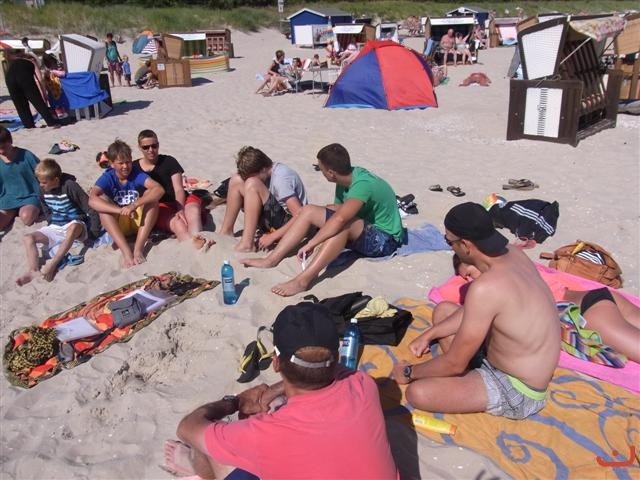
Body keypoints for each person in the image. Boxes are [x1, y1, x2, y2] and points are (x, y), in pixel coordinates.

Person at [164, 302, 398, 479]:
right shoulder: (363, 385)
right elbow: (320, 372)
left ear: (275, 363)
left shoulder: (265, 434)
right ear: (337, 357)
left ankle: (197, 467)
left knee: (211, 444)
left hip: (263, 438)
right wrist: (273, 392)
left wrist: (233, 402)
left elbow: (187, 428)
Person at [393, 202, 560, 420]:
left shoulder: (486, 287)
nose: (450, 248)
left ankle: (470, 382)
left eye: (449, 242)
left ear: (465, 244)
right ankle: (469, 380)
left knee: (418, 392)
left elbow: (454, 363)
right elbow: (485, 309)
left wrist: (409, 372)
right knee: (444, 311)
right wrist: (429, 334)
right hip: (508, 357)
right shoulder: (513, 254)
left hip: (518, 386)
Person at [241, 143, 404, 297]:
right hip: (364, 227)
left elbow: (340, 219)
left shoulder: (362, 185)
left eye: (321, 169)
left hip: (385, 240)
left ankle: (302, 281)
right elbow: (338, 209)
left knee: (342, 226)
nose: (321, 172)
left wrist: (312, 243)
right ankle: (271, 260)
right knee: (308, 210)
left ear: (331, 173)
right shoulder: (346, 178)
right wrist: (320, 217)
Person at [452, 255, 640, 363]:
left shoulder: (497, 284)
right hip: (597, 296)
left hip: (587, 312)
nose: (469, 281)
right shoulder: (519, 265)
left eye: (469, 274)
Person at [16, 159, 99, 286]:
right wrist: (50, 220)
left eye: (44, 182)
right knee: (28, 238)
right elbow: (46, 208)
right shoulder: (42, 190)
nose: (41, 185)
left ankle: (53, 263)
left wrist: (94, 233)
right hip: (56, 226)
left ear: (55, 180)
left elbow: (90, 208)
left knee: (73, 228)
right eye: (40, 182)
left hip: (75, 224)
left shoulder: (70, 186)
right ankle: (33, 270)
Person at [89, 139, 163, 268]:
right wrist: (120, 210)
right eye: (121, 163)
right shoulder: (108, 177)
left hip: (137, 219)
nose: (125, 166)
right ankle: (126, 252)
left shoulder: (136, 173)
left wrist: (134, 205)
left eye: (128, 162)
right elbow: (92, 199)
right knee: (102, 201)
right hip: (119, 221)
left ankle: (138, 249)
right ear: (112, 164)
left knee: (152, 199)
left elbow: (159, 189)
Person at [220, 146, 307, 252]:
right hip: (274, 218)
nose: (248, 179)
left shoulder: (281, 179)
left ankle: (247, 244)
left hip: (289, 226)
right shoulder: (266, 171)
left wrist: (273, 236)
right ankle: (226, 231)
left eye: (252, 175)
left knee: (252, 183)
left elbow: (300, 214)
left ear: (263, 169)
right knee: (236, 179)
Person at [133, 130, 206, 246]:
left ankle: (199, 241)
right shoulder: (134, 167)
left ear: (158, 145)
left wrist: (180, 209)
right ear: (140, 148)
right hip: (159, 206)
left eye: (154, 146)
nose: (151, 150)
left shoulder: (169, 161)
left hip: (180, 200)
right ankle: (191, 248)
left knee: (193, 212)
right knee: (179, 224)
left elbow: (179, 189)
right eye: (146, 147)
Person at [0, 127, 41, 231]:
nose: (1, 151)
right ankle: (13, 211)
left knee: (27, 218)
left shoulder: (26, 155)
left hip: (29, 195)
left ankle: (18, 211)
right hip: (7, 197)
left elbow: (43, 173)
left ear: (10, 141)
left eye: (3, 147)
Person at [4, 51, 60, 129]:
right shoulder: (31, 60)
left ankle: (29, 125)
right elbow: (40, 80)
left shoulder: (11, 63)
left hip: (9, 78)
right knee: (38, 101)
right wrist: (44, 94)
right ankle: (51, 122)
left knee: (20, 105)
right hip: (24, 77)